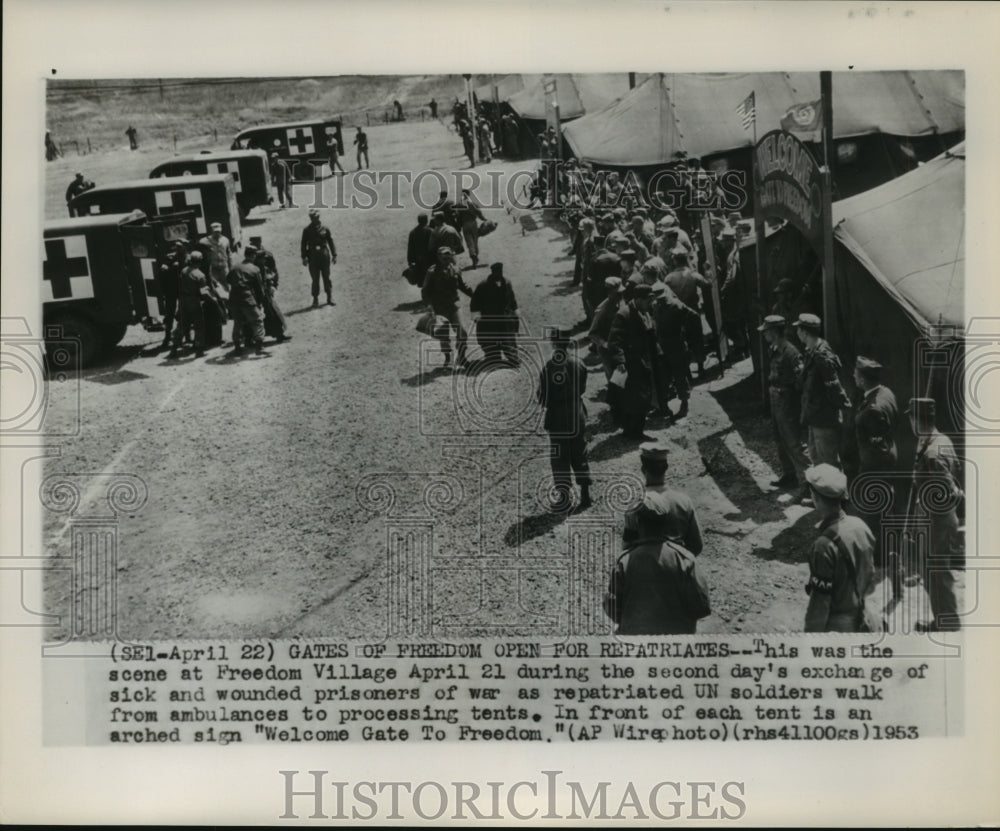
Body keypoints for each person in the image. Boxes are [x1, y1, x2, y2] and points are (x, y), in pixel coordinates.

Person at [605, 443, 705, 634]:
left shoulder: (636, 505)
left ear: (643, 468)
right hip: (678, 578)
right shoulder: (683, 501)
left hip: (641, 582)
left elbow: (627, 547)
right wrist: (677, 563)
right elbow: (696, 546)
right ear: (666, 467)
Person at [905, 397, 963, 632]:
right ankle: (942, 619)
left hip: (936, 522)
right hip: (937, 518)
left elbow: (949, 491)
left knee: (937, 575)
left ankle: (947, 623)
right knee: (934, 574)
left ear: (915, 419)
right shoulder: (940, 440)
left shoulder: (931, 454)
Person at [803, 463, 878, 633]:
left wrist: (810, 638)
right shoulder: (860, 526)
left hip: (838, 625)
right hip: (863, 614)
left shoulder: (823, 546)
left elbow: (819, 604)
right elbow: (870, 571)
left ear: (816, 498)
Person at [845, 356, 899, 564]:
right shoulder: (885, 393)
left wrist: (865, 471)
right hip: (887, 457)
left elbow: (876, 445)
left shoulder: (873, 409)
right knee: (884, 507)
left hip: (876, 465)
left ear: (862, 379)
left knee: (872, 511)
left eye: (855, 374)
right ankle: (889, 549)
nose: (853, 377)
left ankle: (879, 557)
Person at [537, 328, 591, 512]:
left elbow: (543, 398)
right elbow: (582, 388)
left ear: (553, 343)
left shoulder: (549, 367)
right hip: (577, 413)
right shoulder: (579, 363)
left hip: (558, 416)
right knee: (580, 452)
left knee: (560, 456)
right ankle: (585, 493)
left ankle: (564, 497)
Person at [759, 315, 810, 499]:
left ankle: (808, 484)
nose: (764, 334)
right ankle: (790, 475)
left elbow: (801, 380)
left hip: (787, 400)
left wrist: (791, 397)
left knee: (794, 441)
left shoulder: (790, 352)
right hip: (776, 398)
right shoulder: (774, 348)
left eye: (766, 331)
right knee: (779, 438)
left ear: (774, 331)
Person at [607, 283, 666, 439]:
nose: (652, 303)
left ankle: (636, 430)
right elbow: (614, 341)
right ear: (638, 299)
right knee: (633, 399)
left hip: (645, 361)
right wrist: (620, 361)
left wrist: (658, 353)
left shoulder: (645, 311)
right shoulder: (624, 314)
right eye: (648, 300)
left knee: (644, 398)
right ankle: (631, 431)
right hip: (631, 364)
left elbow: (651, 335)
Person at [794, 313, 851, 467]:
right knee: (816, 459)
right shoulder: (811, 351)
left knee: (829, 464)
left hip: (824, 419)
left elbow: (834, 387)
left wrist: (838, 411)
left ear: (804, 332)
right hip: (814, 416)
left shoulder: (822, 355)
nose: (797, 333)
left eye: (798, 329)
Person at [651, 280, 698, 419]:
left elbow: (694, 316)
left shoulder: (676, 305)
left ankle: (684, 403)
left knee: (679, 376)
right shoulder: (655, 306)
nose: (659, 301)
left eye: (661, 298)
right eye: (657, 298)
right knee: (663, 377)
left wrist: (685, 332)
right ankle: (663, 406)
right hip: (662, 346)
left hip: (677, 345)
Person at [421, 246, 473, 370]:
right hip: (439, 308)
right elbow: (425, 291)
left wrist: (475, 295)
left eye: (448, 255)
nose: (446, 258)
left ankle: (462, 357)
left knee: (462, 331)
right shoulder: (432, 272)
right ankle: (448, 358)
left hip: (454, 306)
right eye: (443, 256)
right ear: (438, 257)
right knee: (443, 334)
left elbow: (462, 286)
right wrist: (429, 306)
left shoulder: (456, 270)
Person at [470, 263, 519, 366]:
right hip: (489, 319)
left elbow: (512, 299)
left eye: (500, 271)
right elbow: (475, 303)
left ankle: (512, 357)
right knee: (490, 341)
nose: (498, 274)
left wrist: (515, 312)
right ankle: (493, 357)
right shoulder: (483, 285)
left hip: (505, 319)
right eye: (496, 272)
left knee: (508, 340)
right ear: (492, 272)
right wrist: (476, 316)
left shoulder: (507, 283)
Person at [226, 246, 268, 356]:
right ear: (253, 255)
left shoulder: (235, 267)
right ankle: (259, 348)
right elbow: (259, 288)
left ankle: (237, 348)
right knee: (257, 321)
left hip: (233, 298)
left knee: (237, 323)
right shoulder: (255, 269)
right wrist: (260, 302)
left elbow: (228, 280)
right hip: (247, 298)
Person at [168, 250, 209, 359]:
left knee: (181, 325)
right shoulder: (200, 275)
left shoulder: (183, 271)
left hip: (183, 300)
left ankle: (173, 349)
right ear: (200, 261)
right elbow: (204, 293)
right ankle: (199, 350)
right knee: (199, 325)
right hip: (194, 301)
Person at [249, 235, 290, 343]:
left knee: (272, 311)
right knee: (255, 313)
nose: (254, 244)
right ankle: (252, 338)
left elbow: (274, 270)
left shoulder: (267, 255)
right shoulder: (250, 255)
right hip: (255, 290)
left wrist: (274, 285)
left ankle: (278, 334)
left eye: (256, 242)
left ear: (260, 242)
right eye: (252, 242)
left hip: (266, 288)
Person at [300, 209, 337, 308]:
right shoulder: (307, 230)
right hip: (312, 256)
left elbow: (330, 241)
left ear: (318, 217)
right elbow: (303, 244)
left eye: (315, 218)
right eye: (311, 218)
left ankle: (329, 297)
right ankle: (315, 299)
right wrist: (304, 257)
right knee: (315, 278)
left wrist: (334, 254)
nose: (313, 220)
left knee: (326, 276)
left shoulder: (325, 228)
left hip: (324, 255)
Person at [156, 242, 186, 350]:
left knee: (183, 312)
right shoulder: (170, 257)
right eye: (177, 247)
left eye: (180, 247)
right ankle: (167, 336)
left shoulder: (188, 258)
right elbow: (163, 269)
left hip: (183, 289)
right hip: (171, 290)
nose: (178, 249)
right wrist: (169, 267)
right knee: (169, 314)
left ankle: (185, 337)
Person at [198, 222, 232, 289]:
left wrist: (231, 267)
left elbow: (229, 253)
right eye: (215, 232)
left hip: (224, 268)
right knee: (215, 287)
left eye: (218, 231)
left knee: (227, 286)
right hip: (213, 269)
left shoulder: (225, 240)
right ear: (211, 231)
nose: (217, 233)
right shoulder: (204, 241)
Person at [456, 189, 485, 268]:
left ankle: (473, 255)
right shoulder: (472, 203)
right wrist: (484, 219)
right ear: (468, 194)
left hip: (465, 224)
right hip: (473, 223)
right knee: (475, 241)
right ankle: (475, 255)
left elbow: (458, 216)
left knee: (469, 242)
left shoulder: (459, 204)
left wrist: (458, 226)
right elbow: (479, 213)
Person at [406, 214, 433, 287]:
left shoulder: (413, 232)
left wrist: (410, 261)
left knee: (421, 278)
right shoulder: (430, 231)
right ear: (426, 220)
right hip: (429, 258)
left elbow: (410, 247)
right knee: (430, 278)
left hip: (417, 259)